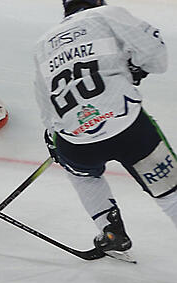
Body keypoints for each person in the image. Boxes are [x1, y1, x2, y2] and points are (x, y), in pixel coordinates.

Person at [33, 0, 175, 262]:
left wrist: (53, 137)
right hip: (128, 129)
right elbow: (157, 57)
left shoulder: (43, 42)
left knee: (82, 175)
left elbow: (45, 102)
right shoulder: (107, 14)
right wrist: (135, 67)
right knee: (171, 193)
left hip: (75, 141)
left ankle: (111, 232)